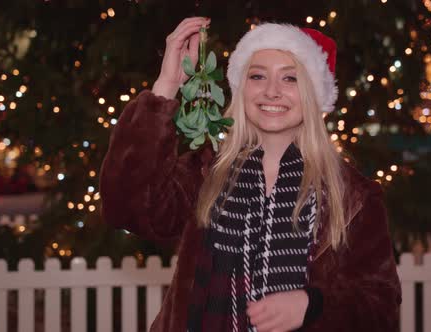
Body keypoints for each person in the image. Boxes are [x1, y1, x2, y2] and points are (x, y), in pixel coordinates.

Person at [100, 17, 401, 332]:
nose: (272, 91)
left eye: (291, 78)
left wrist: (314, 305)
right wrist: (165, 88)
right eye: (258, 76)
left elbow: (381, 308)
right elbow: (126, 207)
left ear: (314, 93)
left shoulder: (352, 195)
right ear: (241, 87)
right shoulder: (205, 172)